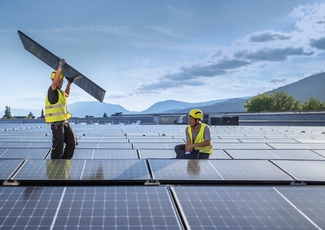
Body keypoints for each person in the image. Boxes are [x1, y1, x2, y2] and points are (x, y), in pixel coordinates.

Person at [45, 59, 76, 159]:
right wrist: (60, 67)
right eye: (60, 81)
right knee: (58, 148)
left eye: (62, 81)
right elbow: (54, 82)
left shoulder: (60, 93)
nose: (61, 82)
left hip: (65, 123)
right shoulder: (52, 91)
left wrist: (69, 83)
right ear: (55, 80)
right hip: (57, 125)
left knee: (72, 143)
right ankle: (56, 170)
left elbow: (67, 94)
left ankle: (63, 165)